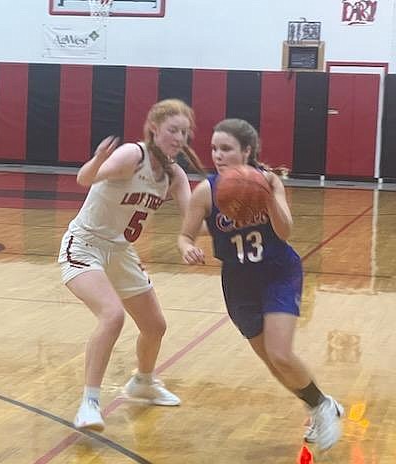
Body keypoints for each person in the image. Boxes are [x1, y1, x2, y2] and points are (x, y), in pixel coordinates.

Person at [178, 118, 343, 451]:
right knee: (272, 362)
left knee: (281, 353)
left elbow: (285, 232)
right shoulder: (206, 192)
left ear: (247, 150)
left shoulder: (268, 181)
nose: (218, 155)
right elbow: (184, 234)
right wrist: (187, 248)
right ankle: (319, 402)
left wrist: (267, 197)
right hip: (238, 282)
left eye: (226, 148)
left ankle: (324, 409)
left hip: (278, 272)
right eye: (214, 149)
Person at [58, 98, 205, 432]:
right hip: (85, 244)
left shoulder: (175, 176)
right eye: (173, 130)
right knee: (112, 316)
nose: (179, 138)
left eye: (184, 133)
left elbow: (193, 220)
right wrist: (97, 160)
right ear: (154, 128)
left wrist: (235, 219)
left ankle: (143, 381)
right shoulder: (132, 155)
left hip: (121, 252)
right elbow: (85, 179)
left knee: (155, 327)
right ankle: (89, 404)